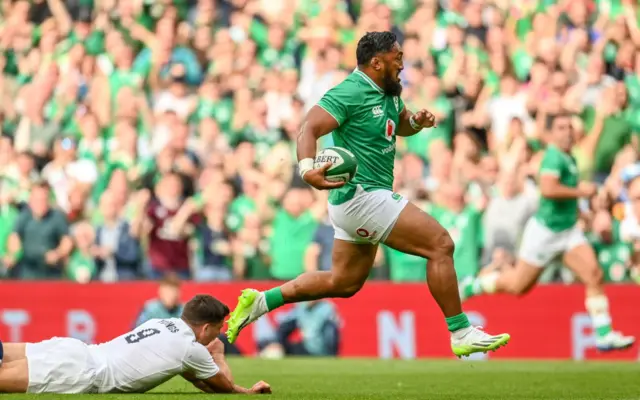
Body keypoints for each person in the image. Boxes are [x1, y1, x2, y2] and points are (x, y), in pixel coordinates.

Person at [225, 31, 510, 358]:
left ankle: (261, 302)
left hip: (354, 203)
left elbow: (398, 124)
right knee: (441, 244)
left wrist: (416, 122)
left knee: (343, 283)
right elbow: (309, 126)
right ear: (377, 62)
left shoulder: (389, 90)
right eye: (397, 57)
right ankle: (460, 331)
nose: (403, 63)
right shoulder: (351, 90)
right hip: (362, 195)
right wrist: (306, 169)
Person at [460, 114, 635, 351]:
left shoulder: (569, 157)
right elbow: (549, 189)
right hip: (546, 232)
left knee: (593, 273)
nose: (568, 132)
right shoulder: (553, 157)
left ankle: (603, 334)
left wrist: (582, 211)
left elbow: (564, 196)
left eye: (570, 127)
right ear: (551, 134)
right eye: (561, 127)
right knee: (518, 286)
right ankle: (475, 286)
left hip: (568, 230)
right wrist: (581, 192)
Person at [0, 294, 271, 394]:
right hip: (82, 372)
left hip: (76, 350)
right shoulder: (191, 350)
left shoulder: (159, 323)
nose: (218, 336)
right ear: (205, 327)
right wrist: (220, 357)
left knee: (5, 350)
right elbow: (223, 388)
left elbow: (196, 378)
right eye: (218, 330)